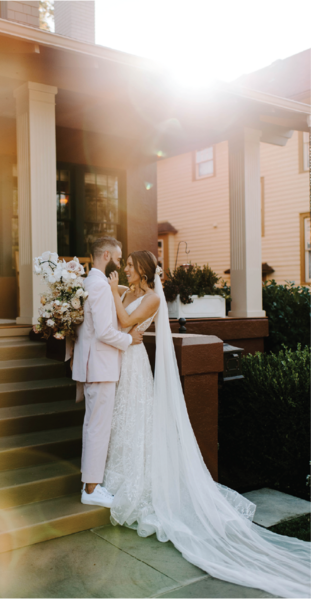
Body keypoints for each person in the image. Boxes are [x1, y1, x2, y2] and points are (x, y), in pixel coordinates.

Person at [103, 249, 311, 599]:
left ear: (141, 270)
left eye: (128, 266)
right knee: (122, 421)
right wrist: (109, 292)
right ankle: (120, 474)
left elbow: (124, 321)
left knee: (136, 418)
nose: (123, 270)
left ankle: (139, 482)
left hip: (136, 363)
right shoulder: (127, 290)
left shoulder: (152, 298)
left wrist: (112, 295)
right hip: (120, 357)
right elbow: (115, 317)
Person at [72, 237, 144, 508]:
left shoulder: (90, 282)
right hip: (101, 366)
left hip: (92, 365)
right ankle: (91, 489)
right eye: (118, 256)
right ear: (106, 255)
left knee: (93, 426)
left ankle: (90, 484)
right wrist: (129, 341)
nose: (120, 261)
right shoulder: (100, 287)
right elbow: (104, 332)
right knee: (98, 429)